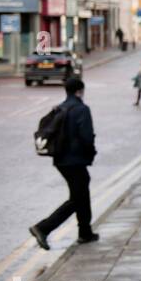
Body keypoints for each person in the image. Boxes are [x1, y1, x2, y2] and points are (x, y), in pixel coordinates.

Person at [29, 76, 99, 249]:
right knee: (78, 197)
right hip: (75, 160)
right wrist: (91, 152)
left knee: (81, 193)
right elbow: (86, 137)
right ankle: (43, 228)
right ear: (79, 91)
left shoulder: (60, 109)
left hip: (60, 159)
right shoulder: (81, 109)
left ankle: (85, 232)